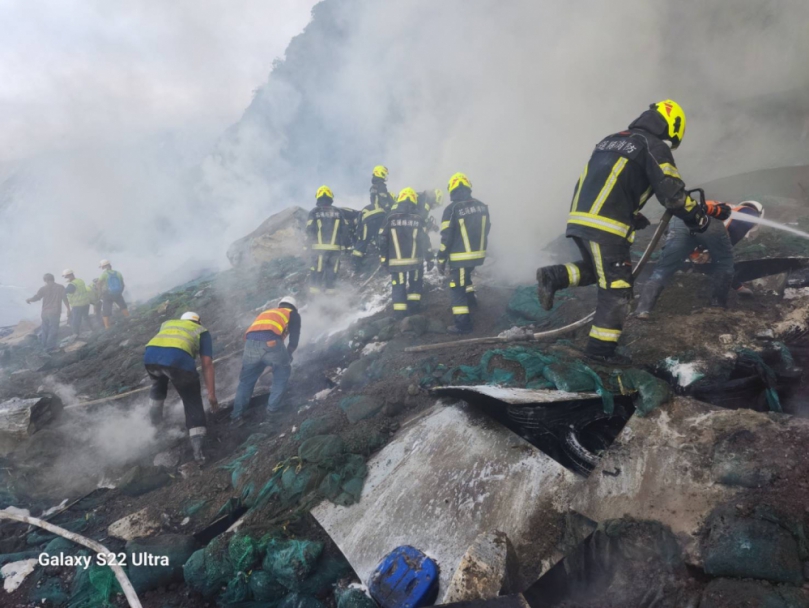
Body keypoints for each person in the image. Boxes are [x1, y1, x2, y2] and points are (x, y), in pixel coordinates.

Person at [535, 99, 710, 365]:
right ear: (672, 125)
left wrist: (631, 214)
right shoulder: (654, 147)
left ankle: (555, 276)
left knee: (598, 271)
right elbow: (673, 195)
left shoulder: (611, 140)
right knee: (617, 290)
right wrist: (698, 218)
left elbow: (607, 181)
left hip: (581, 219)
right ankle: (599, 355)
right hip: (607, 226)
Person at [635, 200, 764, 318]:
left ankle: (643, 309)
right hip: (708, 221)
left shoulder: (727, 207)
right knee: (724, 263)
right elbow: (728, 247)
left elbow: (672, 233)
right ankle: (717, 307)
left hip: (680, 220)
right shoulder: (750, 212)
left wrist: (693, 252)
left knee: (664, 267)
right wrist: (708, 253)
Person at [144, 311, 217, 463]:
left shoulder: (167, 324)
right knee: (192, 402)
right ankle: (199, 453)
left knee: (158, 383)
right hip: (178, 362)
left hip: (150, 357)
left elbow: (163, 348)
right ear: (198, 321)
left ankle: (155, 426)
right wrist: (211, 395)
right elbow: (207, 364)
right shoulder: (201, 331)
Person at [230, 296, 301, 425]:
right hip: (271, 343)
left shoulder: (267, 312)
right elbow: (294, 340)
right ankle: (272, 411)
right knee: (282, 373)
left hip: (250, 345)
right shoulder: (292, 314)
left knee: (246, 381)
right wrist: (288, 354)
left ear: (280, 305)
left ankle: (236, 416)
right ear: (295, 307)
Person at [437, 173, 491, 334]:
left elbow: (447, 236)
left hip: (460, 257)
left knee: (456, 287)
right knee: (465, 277)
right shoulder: (482, 206)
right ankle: (471, 302)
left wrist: (441, 258)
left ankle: (463, 325)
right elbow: (487, 228)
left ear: (452, 189)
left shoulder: (452, 209)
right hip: (477, 255)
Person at [378, 188, 434, 318]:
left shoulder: (390, 217)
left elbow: (382, 239)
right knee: (415, 282)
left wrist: (384, 259)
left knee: (398, 285)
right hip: (415, 260)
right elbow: (425, 239)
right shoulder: (418, 218)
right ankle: (414, 311)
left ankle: (399, 315)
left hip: (396, 261)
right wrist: (430, 258)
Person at [306, 186, 349, 295]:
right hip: (335, 250)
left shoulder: (314, 212)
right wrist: (346, 246)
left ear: (318, 197)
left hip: (318, 250)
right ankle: (330, 302)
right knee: (332, 275)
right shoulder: (338, 212)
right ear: (330, 197)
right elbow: (344, 231)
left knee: (317, 275)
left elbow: (310, 230)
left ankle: (315, 302)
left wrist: (307, 246)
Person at [352, 165, 396, 271]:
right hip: (378, 215)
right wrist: (390, 211)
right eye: (384, 173)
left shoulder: (373, 187)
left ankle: (357, 265)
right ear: (379, 173)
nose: (385, 176)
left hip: (369, 216)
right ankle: (382, 260)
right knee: (381, 236)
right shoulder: (381, 185)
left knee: (364, 239)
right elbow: (383, 201)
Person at [26, 273, 70, 350]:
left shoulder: (43, 289)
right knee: (53, 329)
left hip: (45, 312)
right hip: (54, 312)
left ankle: (44, 345)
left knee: (45, 329)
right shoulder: (60, 287)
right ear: (53, 279)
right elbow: (65, 298)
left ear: (45, 280)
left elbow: (36, 297)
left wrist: (29, 299)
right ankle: (50, 347)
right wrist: (68, 309)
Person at [98, 259, 129, 328]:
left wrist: (100, 293)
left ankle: (107, 326)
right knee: (123, 306)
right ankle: (128, 318)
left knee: (106, 310)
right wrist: (119, 292)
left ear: (103, 267)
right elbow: (122, 284)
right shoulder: (118, 273)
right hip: (117, 293)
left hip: (107, 294)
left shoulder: (104, 274)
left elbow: (99, 283)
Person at [62, 269, 92, 338]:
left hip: (78, 305)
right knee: (86, 318)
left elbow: (65, 292)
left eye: (66, 277)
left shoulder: (71, 285)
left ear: (70, 275)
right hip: (86, 303)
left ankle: (75, 334)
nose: (66, 278)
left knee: (75, 321)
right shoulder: (80, 280)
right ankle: (90, 329)